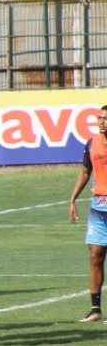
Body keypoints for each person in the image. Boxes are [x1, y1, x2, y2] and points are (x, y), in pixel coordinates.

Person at [69, 105, 107, 323]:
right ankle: (95, 309)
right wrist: (73, 199)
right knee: (95, 255)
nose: (102, 122)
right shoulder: (92, 143)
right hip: (98, 208)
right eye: (100, 118)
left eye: (106, 119)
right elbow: (85, 171)